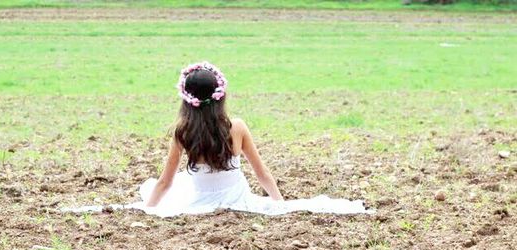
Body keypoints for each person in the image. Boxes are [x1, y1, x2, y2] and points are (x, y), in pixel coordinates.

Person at [62, 62, 371, 217]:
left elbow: (164, 182)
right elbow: (262, 173)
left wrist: (150, 209)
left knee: (157, 191)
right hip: (237, 201)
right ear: (220, 95)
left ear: (186, 99)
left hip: (199, 200)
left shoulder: (182, 130)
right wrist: (280, 204)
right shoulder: (237, 126)